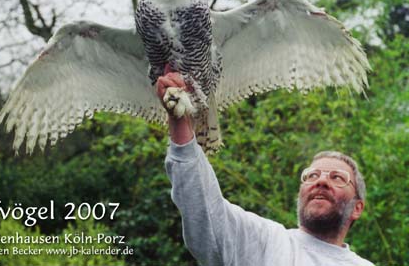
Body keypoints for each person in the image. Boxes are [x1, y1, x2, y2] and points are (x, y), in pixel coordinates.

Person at [157, 71, 374, 266]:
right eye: (312, 175)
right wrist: (180, 124)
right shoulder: (266, 241)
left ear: (358, 207)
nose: (321, 181)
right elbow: (204, 211)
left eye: (337, 177)